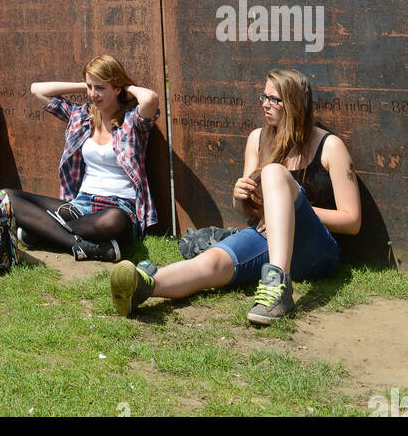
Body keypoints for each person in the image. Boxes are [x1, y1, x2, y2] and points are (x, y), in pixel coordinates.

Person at [110, 68, 362, 325]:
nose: (265, 104)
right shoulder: (257, 139)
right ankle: (144, 287)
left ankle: (278, 287)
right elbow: (246, 213)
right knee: (212, 261)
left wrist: (285, 210)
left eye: (274, 99)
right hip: (266, 238)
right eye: (263, 97)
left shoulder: (330, 146)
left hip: (315, 249)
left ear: (295, 103)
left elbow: (352, 221)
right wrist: (239, 198)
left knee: (274, 172)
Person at [8, 54, 159, 262]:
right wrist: (85, 85)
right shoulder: (80, 116)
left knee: (112, 221)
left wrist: (126, 87)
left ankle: (42, 233)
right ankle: (81, 245)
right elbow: (37, 89)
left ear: (117, 88)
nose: (93, 94)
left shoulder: (132, 121)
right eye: (90, 87)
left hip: (119, 207)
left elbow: (150, 98)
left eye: (100, 88)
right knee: (8, 196)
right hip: (81, 204)